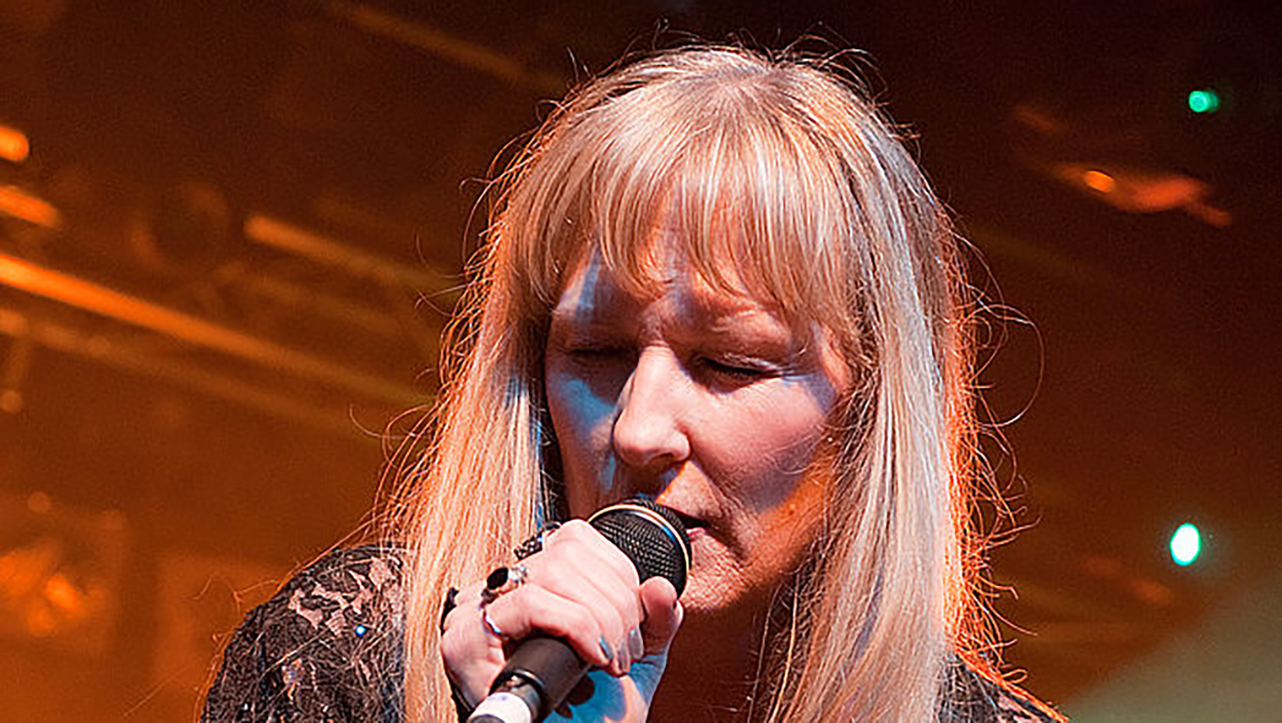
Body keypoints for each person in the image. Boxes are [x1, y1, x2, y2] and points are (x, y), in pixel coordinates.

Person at [201, 44, 1065, 722]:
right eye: (597, 352)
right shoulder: (343, 666)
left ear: (869, 413)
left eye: (730, 362)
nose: (638, 430)